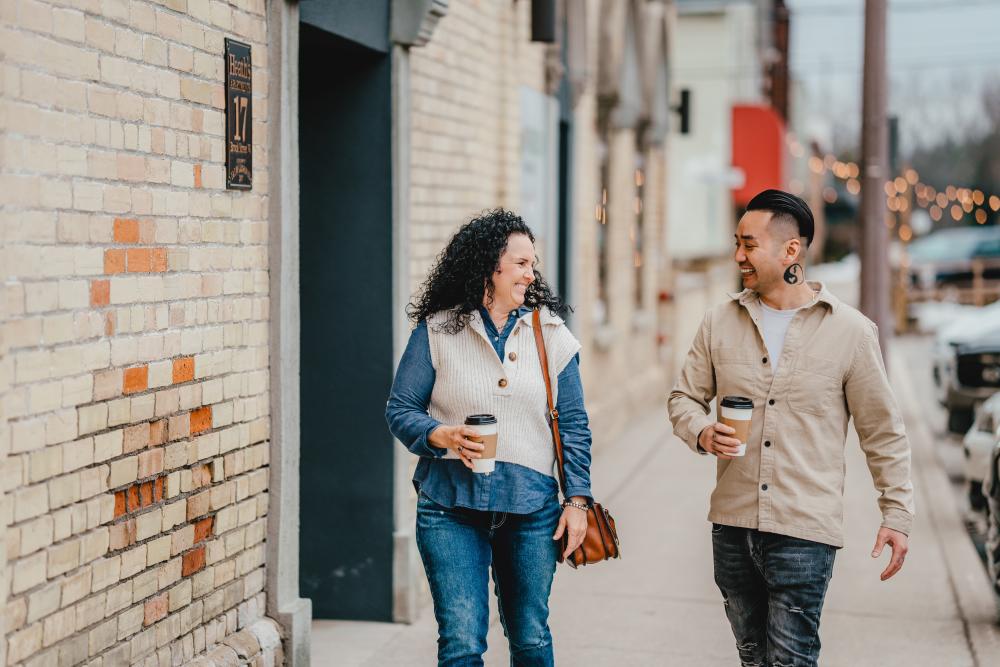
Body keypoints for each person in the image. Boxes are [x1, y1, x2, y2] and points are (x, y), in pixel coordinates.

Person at [667, 189, 915, 667]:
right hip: (733, 526)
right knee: (752, 657)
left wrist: (896, 514)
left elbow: (883, 431)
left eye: (749, 245)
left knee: (791, 660)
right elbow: (683, 398)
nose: (738, 255)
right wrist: (701, 430)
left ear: (791, 251)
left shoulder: (852, 332)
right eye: (736, 243)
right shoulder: (719, 322)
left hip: (805, 531)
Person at [386, 209, 594, 667]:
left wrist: (578, 500)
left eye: (532, 264)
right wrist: (440, 435)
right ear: (488, 266)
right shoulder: (438, 331)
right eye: (521, 262)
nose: (530, 272)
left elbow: (575, 425)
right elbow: (400, 410)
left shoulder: (552, 335)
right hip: (449, 508)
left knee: (530, 637)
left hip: (531, 510)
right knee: (461, 643)